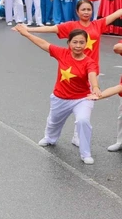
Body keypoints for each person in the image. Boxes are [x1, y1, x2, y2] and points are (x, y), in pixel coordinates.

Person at [13, 25, 99, 165]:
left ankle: (86, 153)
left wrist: (95, 87)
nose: (78, 45)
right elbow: (43, 44)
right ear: (69, 43)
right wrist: (26, 34)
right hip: (61, 97)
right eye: (75, 42)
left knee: (83, 121)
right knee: (54, 122)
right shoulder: (62, 53)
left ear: (86, 43)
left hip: (82, 98)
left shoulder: (89, 62)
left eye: (81, 42)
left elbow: (92, 75)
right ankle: (50, 138)